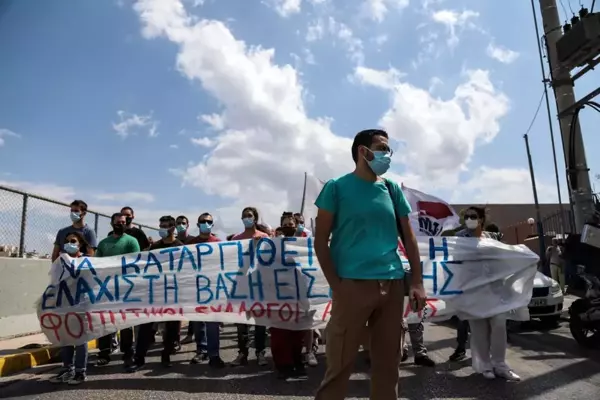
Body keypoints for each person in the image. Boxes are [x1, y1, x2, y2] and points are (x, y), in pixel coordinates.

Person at [313, 129, 426, 400]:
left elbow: (409, 239)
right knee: (340, 365)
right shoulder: (336, 188)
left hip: (392, 285)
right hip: (352, 286)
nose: (387, 155)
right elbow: (320, 242)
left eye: (388, 149)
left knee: (388, 367)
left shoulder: (391, 188)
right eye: (382, 148)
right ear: (363, 152)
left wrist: (418, 282)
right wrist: (338, 287)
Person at [455, 206, 520, 381]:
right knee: (479, 330)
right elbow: (455, 262)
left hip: (494, 290)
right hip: (473, 291)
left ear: (481, 219)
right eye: (467, 216)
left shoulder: (492, 237)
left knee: (499, 324)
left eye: (473, 216)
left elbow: (503, 258)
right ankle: (485, 366)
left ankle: (500, 365)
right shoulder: (460, 238)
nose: (469, 219)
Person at [127, 216, 184, 372]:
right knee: (146, 327)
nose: (162, 228)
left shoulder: (180, 247)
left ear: (173, 228)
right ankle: (139, 359)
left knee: (171, 328)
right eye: (161, 225)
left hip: (172, 293)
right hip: (154, 293)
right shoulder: (155, 247)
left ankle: (165, 356)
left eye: (165, 226)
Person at [95, 213, 141, 368]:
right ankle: (104, 353)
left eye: (123, 222)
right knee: (104, 321)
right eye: (118, 222)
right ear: (112, 223)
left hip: (125, 289)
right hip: (106, 289)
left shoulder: (131, 241)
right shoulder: (103, 243)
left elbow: (135, 262)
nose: (120, 224)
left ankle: (128, 353)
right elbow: (97, 264)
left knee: (126, 322)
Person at [49, 231, 91, 385]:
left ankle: (81, 372)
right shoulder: (61, 261)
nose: (69, 244)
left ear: (80, 244)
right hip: (63, 304)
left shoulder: (86, 261)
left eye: (73, 241)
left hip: (81, 304)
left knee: (80, 339)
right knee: (65, 337)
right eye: (66, 241)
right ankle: (68, 369)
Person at [230, 206, 270, 367]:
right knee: (241, 323)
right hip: (242, 286)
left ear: (255, 218)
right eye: (244, 216)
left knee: (260, 323)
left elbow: (269, 259)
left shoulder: (264, 237)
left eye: (249, 215)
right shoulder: (235, 239)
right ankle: (242, 353)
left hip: (259, 286)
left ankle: (260, 353)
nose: (247, 218)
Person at [270, 214, 308, 380]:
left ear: (296, 225)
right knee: (280, 332)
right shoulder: (273, 246)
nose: (288, 227)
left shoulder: (305, 245)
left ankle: (297, 361)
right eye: (284, 225)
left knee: (297, 331)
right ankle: (283, 365)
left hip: (298, 293)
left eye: (290, 224)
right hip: (279, 295)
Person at [186, 212, 226, 368]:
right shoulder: (191, 244)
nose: (205, 223)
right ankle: (201, 350)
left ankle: (214, 354)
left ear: (212, 225)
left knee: (213, 323)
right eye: (202, 221)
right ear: (198, 225)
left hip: (213, 288)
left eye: (208, 221)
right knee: (198, 323)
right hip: (196, 287)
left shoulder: (218, 243)